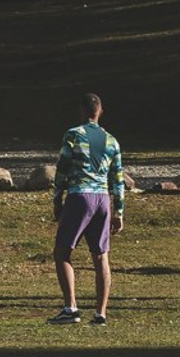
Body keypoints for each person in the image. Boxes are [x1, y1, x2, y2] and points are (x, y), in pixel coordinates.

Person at [49, 92, 125, 324]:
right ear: (101, 111)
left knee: (62, 251)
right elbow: (118, 178)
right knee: (101, 256)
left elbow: (62, 168)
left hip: (80, 195)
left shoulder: (73, 134)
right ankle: (100, 313)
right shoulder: (112, 140)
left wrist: (57, 198)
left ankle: (70, 307)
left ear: (82, 111)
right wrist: (119, 211)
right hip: (103, 198)